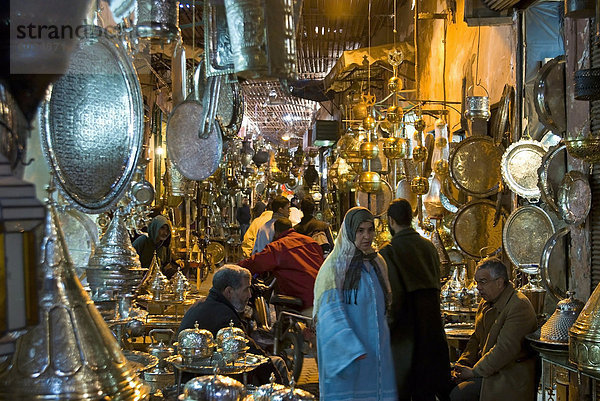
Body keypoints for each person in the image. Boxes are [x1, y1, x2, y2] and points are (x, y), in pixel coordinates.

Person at [313, 207, 397, 400]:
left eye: (370, 230)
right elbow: (329, 313)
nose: (367, 236)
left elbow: (386, 305)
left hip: (376, 352)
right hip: (349, 356)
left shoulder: (377, 263)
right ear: (350, 232)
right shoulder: (334, 267)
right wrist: (349, 347)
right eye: (360, 231)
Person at [379, 198, 452, 401]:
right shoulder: (428, 247)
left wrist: (386, 330)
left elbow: (394, 299)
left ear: (391, 221)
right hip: (433, 330)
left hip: (406, 335)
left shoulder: (389, 251)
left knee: (405, 391)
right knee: (428, 392)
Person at [178, 264, 289, 385]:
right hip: (209, 380)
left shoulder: (201, 305)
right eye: (246, 289)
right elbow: (250, 349)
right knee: (277, 363)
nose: (250, 295)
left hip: (196, 376)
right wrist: (277, 385)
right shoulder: (224, 315)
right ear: (229, 291)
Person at [450, 258, 537, 401]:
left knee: (460, 394)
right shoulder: (486, 303)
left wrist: (474, 372)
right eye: (477, 282)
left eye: (483, 282)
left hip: (508, 375)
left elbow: (503, 349)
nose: (478, 287)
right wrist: (463, 363)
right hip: (487, 369)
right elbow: (476, 338)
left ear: (499, 282)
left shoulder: (518, 305)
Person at [239, 218, 323, 315]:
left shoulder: (278, 247)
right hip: (324, 295)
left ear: (276, 232)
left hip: (304, 301)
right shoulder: (311, 241)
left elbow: (255, 263)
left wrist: (234, 269)